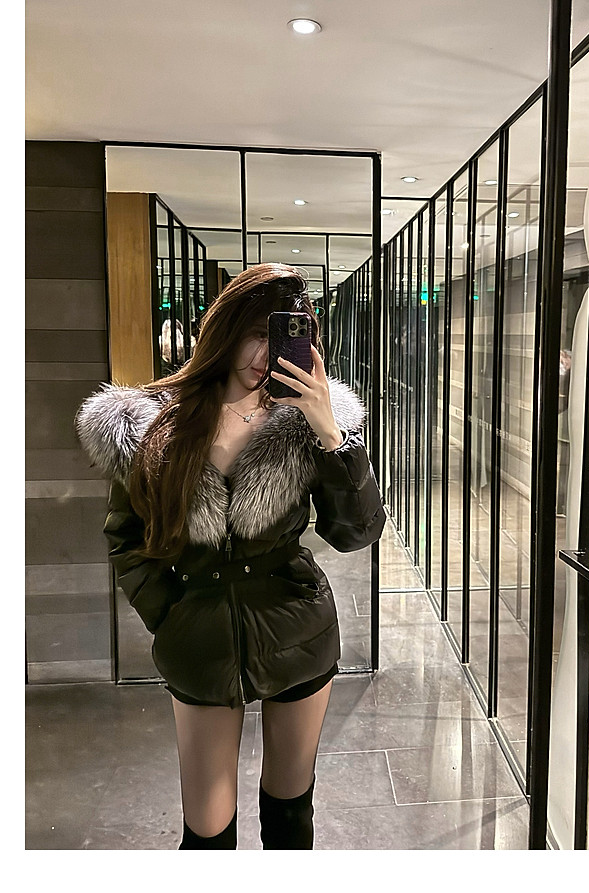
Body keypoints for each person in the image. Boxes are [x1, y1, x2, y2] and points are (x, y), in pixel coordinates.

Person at [75, 263, 387, 850]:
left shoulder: (306, 423)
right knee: (207, 832)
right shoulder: (152, 422)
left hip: (297, 630)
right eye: (256, 333)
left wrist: (330, 434)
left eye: (283, 335)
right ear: (224, 330)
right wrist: (171, 616)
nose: (266, 354)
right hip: (201, 642)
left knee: (290, 814)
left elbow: (357, 533)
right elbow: (126, 537)